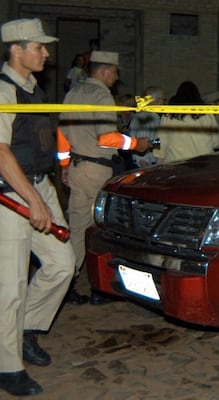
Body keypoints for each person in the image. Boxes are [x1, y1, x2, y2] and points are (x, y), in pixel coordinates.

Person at [0, 18, 76, 396]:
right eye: (39, 47)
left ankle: (28, 329)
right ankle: (8, 368)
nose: (46, 53)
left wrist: (45, 191)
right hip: (9, 195)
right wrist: (33, 202)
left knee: (63, 264)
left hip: (38, 185)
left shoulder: (31, 90)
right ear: (17, 49)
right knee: (8, 284)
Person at [57, 51, 151, 304]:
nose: (116, 77)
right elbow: (106, 138)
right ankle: (102, 287)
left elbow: (62, 134)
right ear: (105, 71)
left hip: (77, 167)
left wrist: (65, 165)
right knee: (105, 230)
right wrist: (137, 144)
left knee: (76, 230)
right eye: (115, 72)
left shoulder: (72, 93)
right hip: (96, 170)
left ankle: (64, 282)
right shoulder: (102, 96)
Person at [155, 81, 219, 163]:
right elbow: (217, 143)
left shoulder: (167, 116)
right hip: (203, 165)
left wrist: (158, 163)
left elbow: (159, 143)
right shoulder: (207, 115)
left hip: (176, 166)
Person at [129, 85, 165, 168]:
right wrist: (143, 161)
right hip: (146, 163)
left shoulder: (148, 116)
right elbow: (142, 139)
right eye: (162, 99)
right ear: (157, 100)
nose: (163, 102)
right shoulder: (147, 117)